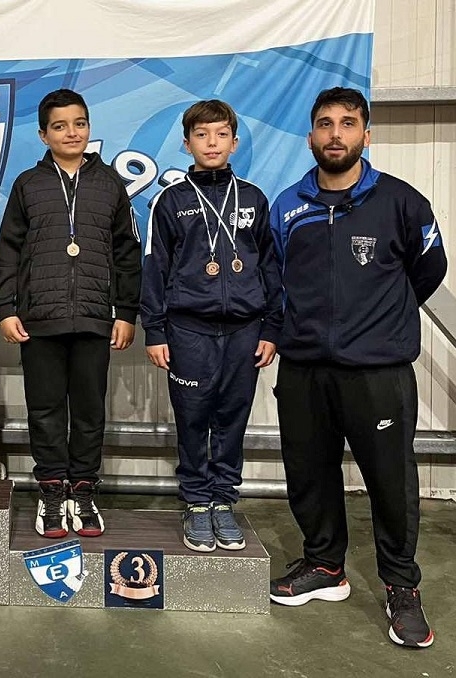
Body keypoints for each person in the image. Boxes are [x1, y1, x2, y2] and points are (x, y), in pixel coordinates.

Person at [268, 87, 445, 649]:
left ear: (366, 135)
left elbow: (428, 270)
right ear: (311, 137)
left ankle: (401, 585)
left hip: (378, 372)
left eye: (348, 123)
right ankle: (325, 566)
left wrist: (380, 324)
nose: (336, 133)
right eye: (325, 123)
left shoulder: (401, 202)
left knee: (391, 480)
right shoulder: (287, 205)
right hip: (304, 368)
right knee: (309, 473)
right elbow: (276, 278)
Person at [0, 89, 141, 538]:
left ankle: (84, 490)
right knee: (46, 410)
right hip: (40, 319)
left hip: (95, 317)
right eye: (59, 126)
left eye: (79, 124)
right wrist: (6, 308)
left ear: (89, 128)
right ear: (44, 135)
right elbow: (7, 252)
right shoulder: (28, 185)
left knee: (90, 411)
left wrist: (126, 311)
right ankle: (53, 491)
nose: (71, 133)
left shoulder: (110, 184)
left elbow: (128, 252)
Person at [140, 100, 282, 552]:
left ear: (234, 143)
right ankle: (197, 501)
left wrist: (271, 329)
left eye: (221, 134)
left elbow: (271, 267)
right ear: (187, 144)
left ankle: (223, 500)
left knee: (232, 418)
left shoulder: (254, 199)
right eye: (202, 135)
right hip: (188, 330)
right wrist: (155, 331)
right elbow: (155, 268)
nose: (212, 143)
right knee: (193, 417)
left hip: (245, 329)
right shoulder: (171, 200)